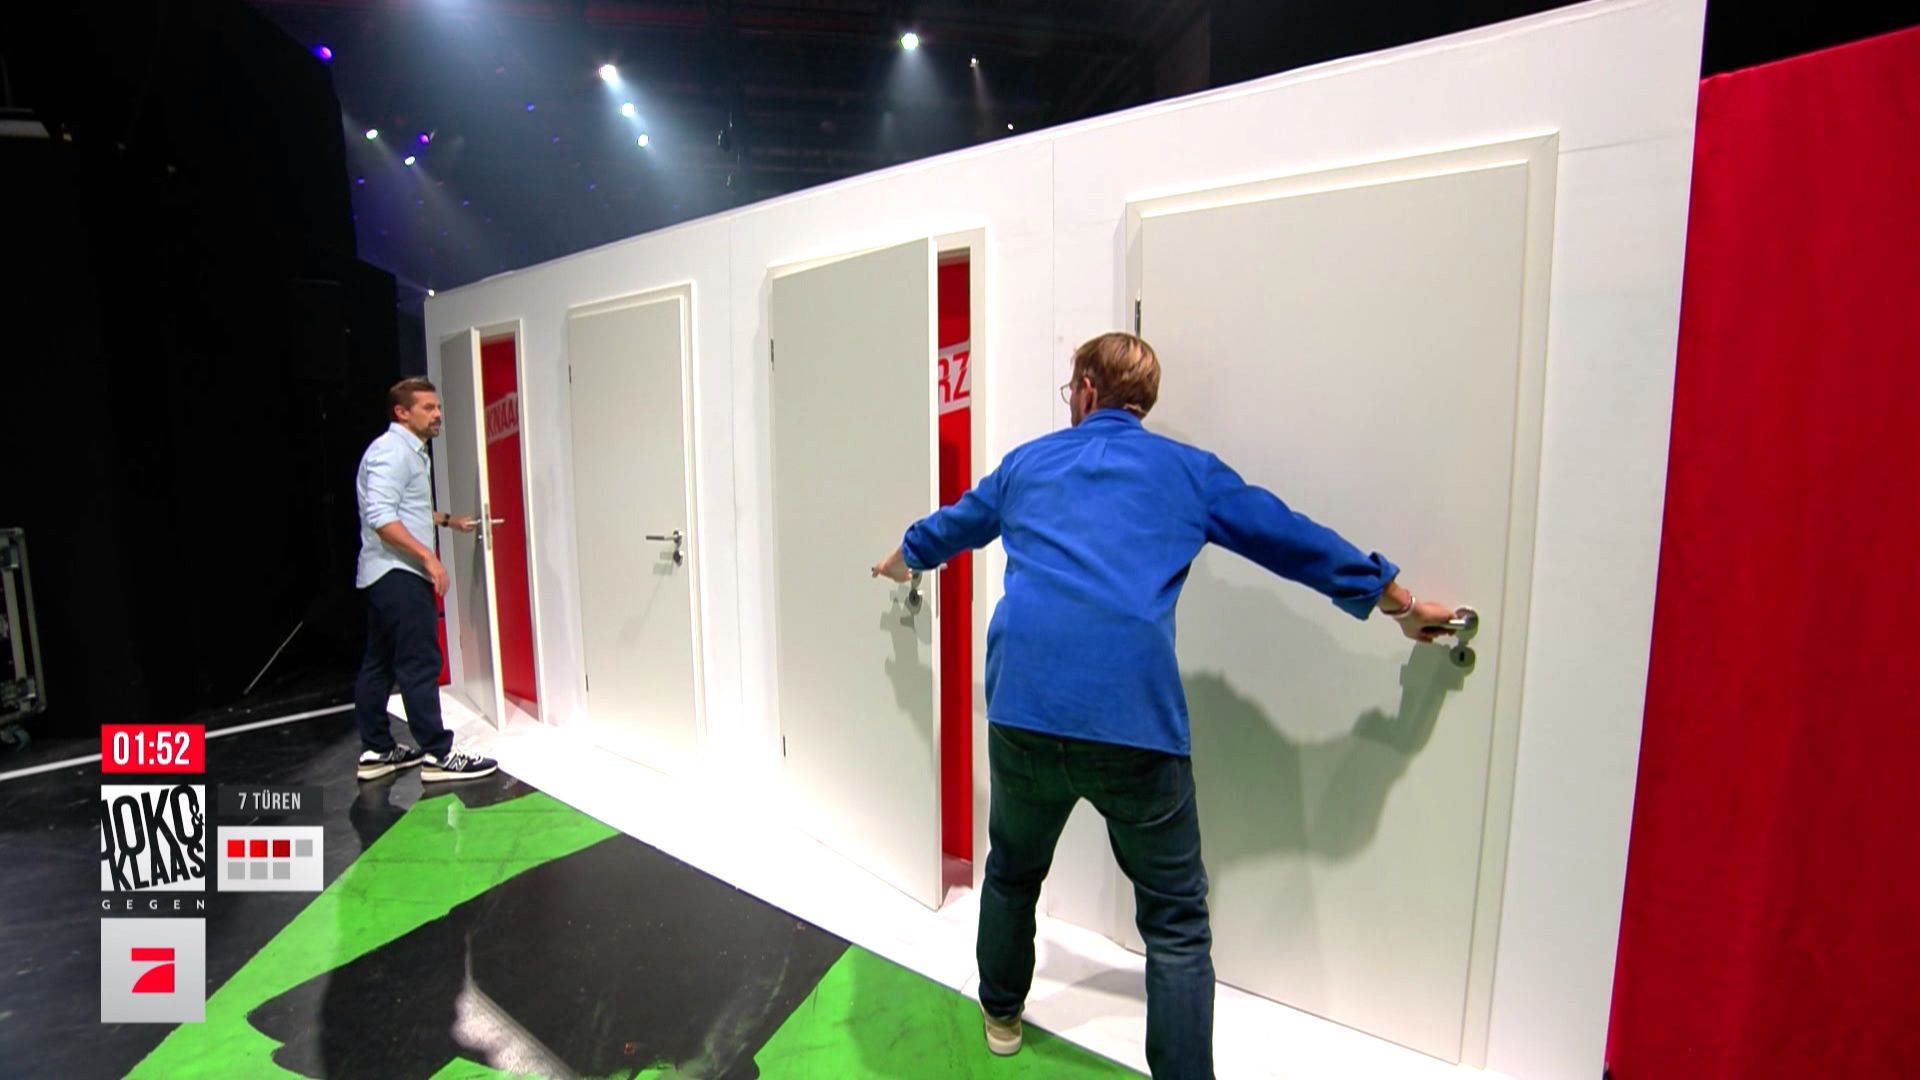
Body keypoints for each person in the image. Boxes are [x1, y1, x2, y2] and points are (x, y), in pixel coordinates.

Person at [871, 332, 1460, 1079]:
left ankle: (1001, 1013)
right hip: (1133, 725)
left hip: (1024, 711)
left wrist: (900, 559)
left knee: (1013, 871)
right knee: (1176, 925)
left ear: (1087, 388)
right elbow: (1294, 540)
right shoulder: (1188, 472)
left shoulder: (1026, 464)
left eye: (1070, 389)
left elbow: (950, 526)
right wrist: (1397, 601)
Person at [351, 377, 499, 783]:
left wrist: (448, 521)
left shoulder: (408, 452)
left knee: (379, 663)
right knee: (419, 663)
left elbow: (407, 507)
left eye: (438, 407)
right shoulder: (392, 452)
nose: (437, 415)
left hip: (386, 575)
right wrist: (429, 559)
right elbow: (382, 518)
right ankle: (438, 754)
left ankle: (378, 750)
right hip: (398, 575)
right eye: (428, 408)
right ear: (402, 412)